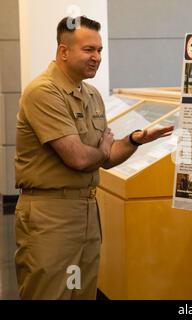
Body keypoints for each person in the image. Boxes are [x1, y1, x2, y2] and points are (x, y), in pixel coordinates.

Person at [14, 16, 174, 300]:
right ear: (63, 51)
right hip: (51, 215)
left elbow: (107, 156)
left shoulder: (91, 94)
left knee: (81, 293)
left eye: (99, 50)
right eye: (89, 50)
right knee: (51, 293)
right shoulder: (44, 92)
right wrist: (101, 150)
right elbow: (77, 157)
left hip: (86, 210)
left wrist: (135, 140)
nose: (97, 57)